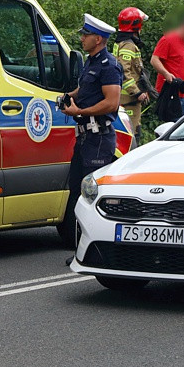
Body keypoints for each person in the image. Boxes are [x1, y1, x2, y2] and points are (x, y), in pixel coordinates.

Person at [59, 13, 122, 245]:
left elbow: (111, 102)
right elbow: (84, 90)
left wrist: (80, 112)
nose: (82, 38)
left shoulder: (109, 66)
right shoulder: (91, 62)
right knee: (76, 190)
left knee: (92, 195)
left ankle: (97, 244)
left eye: (86, 35)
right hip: (85, 138)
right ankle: (78, 245)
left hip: (99, 139)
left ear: (98, 39)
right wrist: (69, 97)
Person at [112, 7, 155, 143]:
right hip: (128, 101)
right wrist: (137, 93)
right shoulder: (128, 46)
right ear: (137, 26)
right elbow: (124, 72)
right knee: (132, 136)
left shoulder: (120, 42)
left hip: (123, 99)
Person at [150, 15, 184, 115]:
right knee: (173, 126)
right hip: (171, 92)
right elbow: (154, 60)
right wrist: (166, 73)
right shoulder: (168, 39)